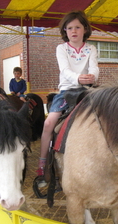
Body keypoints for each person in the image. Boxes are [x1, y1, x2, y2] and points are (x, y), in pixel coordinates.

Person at [37, 10, 99, 182]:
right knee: (49, 122)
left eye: (77, 27)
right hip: (67, 91)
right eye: (69, 28)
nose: (73, 31)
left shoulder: (91, 48)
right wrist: (78, 78)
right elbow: (64, 69)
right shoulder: (61, 48)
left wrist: (93, 76)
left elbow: (94, 67)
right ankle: (43, 161)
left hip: (87, 91)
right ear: (65, 31)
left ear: (85, 29)